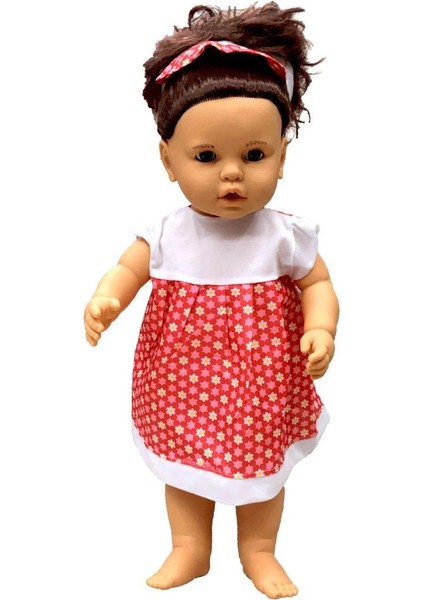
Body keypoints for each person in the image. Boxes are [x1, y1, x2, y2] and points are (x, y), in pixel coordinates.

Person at [84, 3, 339, 598]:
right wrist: (105, 299)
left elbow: (317, 283)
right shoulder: (167, 233)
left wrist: (322, 328)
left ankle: (258, 550)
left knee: (261, 473)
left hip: (260, 383)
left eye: (254, 155)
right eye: (206, 157)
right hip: (180, 381)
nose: (232, 175)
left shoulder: (283, 235)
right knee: (183, 466)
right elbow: (128, 269)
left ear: (281, 157)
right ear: (168, 160)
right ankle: (190, 547)